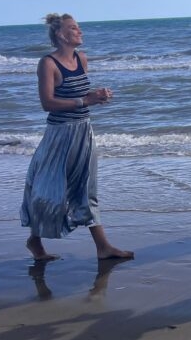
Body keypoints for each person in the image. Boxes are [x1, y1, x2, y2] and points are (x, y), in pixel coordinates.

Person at [21, 13, 134, 262]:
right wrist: (86, 99)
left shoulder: (82, 59)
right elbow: (47, 103)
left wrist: (97, 95)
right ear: (61, 35)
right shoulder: (48, 64)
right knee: (47, 190)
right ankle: (34, 239)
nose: (80, 32)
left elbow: (81, 97)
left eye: (79, 27)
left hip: (84, 131)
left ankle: (103, 247)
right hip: (59, 136)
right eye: (74, 28)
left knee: (87, 188)